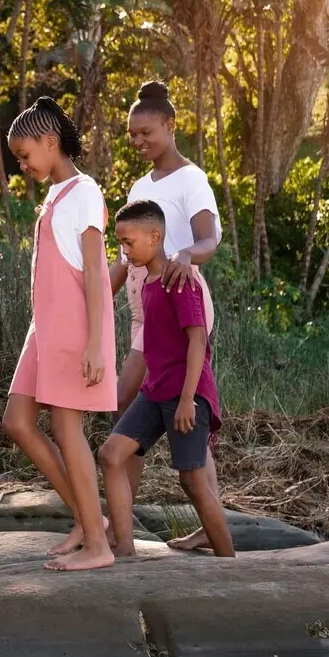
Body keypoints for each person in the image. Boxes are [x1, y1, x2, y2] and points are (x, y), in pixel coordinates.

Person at [2, 96, 118, 572]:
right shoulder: (55, 194)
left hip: (73, 326)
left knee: (66, 427)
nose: (23, 165)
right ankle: (90, 522)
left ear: (51, 142)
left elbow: (94, 272)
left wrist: (94, 342)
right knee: (18, 421)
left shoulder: (84, 192)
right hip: (44, 329)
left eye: (26, 154)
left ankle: (97, 545)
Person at [106, 81, 222, 554]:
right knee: (128, 412)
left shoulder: (192, 178)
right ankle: (125, 524)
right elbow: (123, 253)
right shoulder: (140, 186)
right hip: (143, 312)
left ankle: (123, 529)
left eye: (146, 132)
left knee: (126, 408)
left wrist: (183, 255)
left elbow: (209, 240)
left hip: (178, 308)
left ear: (170, 126)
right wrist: (93, 297)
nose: (138, 142)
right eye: (132, 134)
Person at [99, 200, 234, 558]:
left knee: (192, 480)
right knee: (111, 454)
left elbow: (198, 341)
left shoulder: (182, 281)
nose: (123, 251)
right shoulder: (147, 284)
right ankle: (124, 547)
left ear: (155, 236)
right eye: (120, 243)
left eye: (128, 242)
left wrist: (189, 398)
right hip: (154, 392)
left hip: (185, 393)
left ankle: (230, 564)